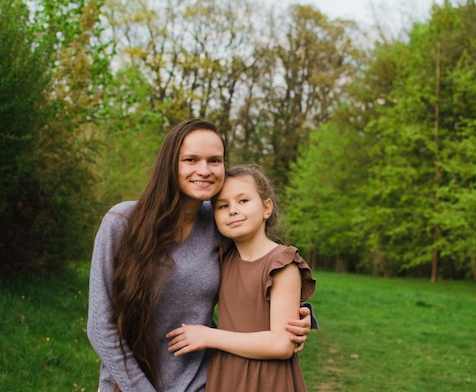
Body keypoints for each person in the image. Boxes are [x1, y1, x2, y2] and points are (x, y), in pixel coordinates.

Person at [87, 119, 313, 392]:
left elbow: (261, 269)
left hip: (203, 384)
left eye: (214, 160)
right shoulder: (122, 223)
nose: (204, 170)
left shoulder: (220, 224)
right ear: (170, 164)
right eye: (191, 159)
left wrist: (297, 315)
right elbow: (101, 328)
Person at [165, 165, 316, 392]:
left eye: (243, 201)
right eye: (223, 206)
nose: (233, 210)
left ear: (267, 208)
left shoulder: (282, 264)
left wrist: (209, 336)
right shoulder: (223, 258)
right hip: (225, 376)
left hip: (267, 379)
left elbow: (281, 344)